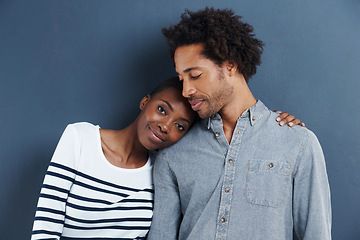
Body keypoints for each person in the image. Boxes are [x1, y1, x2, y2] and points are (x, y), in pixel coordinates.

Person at [31, 75, 300, 239]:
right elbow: (45, 228)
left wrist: (272, 125)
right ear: (144, 101)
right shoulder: (80, 139)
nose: (165, 126)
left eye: (180, 126)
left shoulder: (163, 169)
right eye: (162, 109)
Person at [147, 8, 331, 240]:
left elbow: (316, 235)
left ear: (230, 65)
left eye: (194, 76)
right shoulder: (173, 153)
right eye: (182, 79)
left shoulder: (298, 143)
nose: (186, 91)